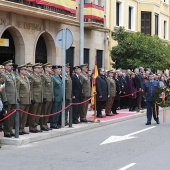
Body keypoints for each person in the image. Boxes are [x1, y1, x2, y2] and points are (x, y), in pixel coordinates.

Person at [1, 60, 17, 138]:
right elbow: (3, 89)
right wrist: (5, 100)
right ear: (6, 66)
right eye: (10, 65)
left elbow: (14, 88)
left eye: (11, 65)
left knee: (12, 116)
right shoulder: (3, 75)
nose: (11, 67)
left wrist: (16, 98)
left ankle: (10, 130)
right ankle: (6, 131)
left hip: (13, 98)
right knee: (7, 116)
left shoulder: (12, 75)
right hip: (8, 99)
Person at [16, 64, 31, 135]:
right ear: (20, 71)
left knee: (25, 116)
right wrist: (18, 99)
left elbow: (28, 90)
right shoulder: (18, 78)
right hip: (22, 99)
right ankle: (18, 129)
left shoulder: (26, 78)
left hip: (27, 99)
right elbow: (17, 90)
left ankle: (22, 128)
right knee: (20, 116)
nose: (26, 71)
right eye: (24, 70)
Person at [28, 63, 43, 133]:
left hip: (40, 97)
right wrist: (32, 98)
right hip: (35, 97)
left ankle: (35, 126)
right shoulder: (31, 77)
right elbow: (30, 88)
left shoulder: (39, 76)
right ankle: (32, 127)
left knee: (38, 113)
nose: (40, 69)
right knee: (33, 113)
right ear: (34, 69)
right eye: (38, 68)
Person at [40, 63, 53, 131]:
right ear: (45, 68)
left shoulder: (50, 76)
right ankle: (43, 125)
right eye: (49, 67)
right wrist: (44, 97)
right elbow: (43, 87)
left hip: (50, 96)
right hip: (46, 97)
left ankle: (45, 124)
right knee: (44, 112)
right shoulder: (43, 76)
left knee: (48, 112)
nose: (50, 68)